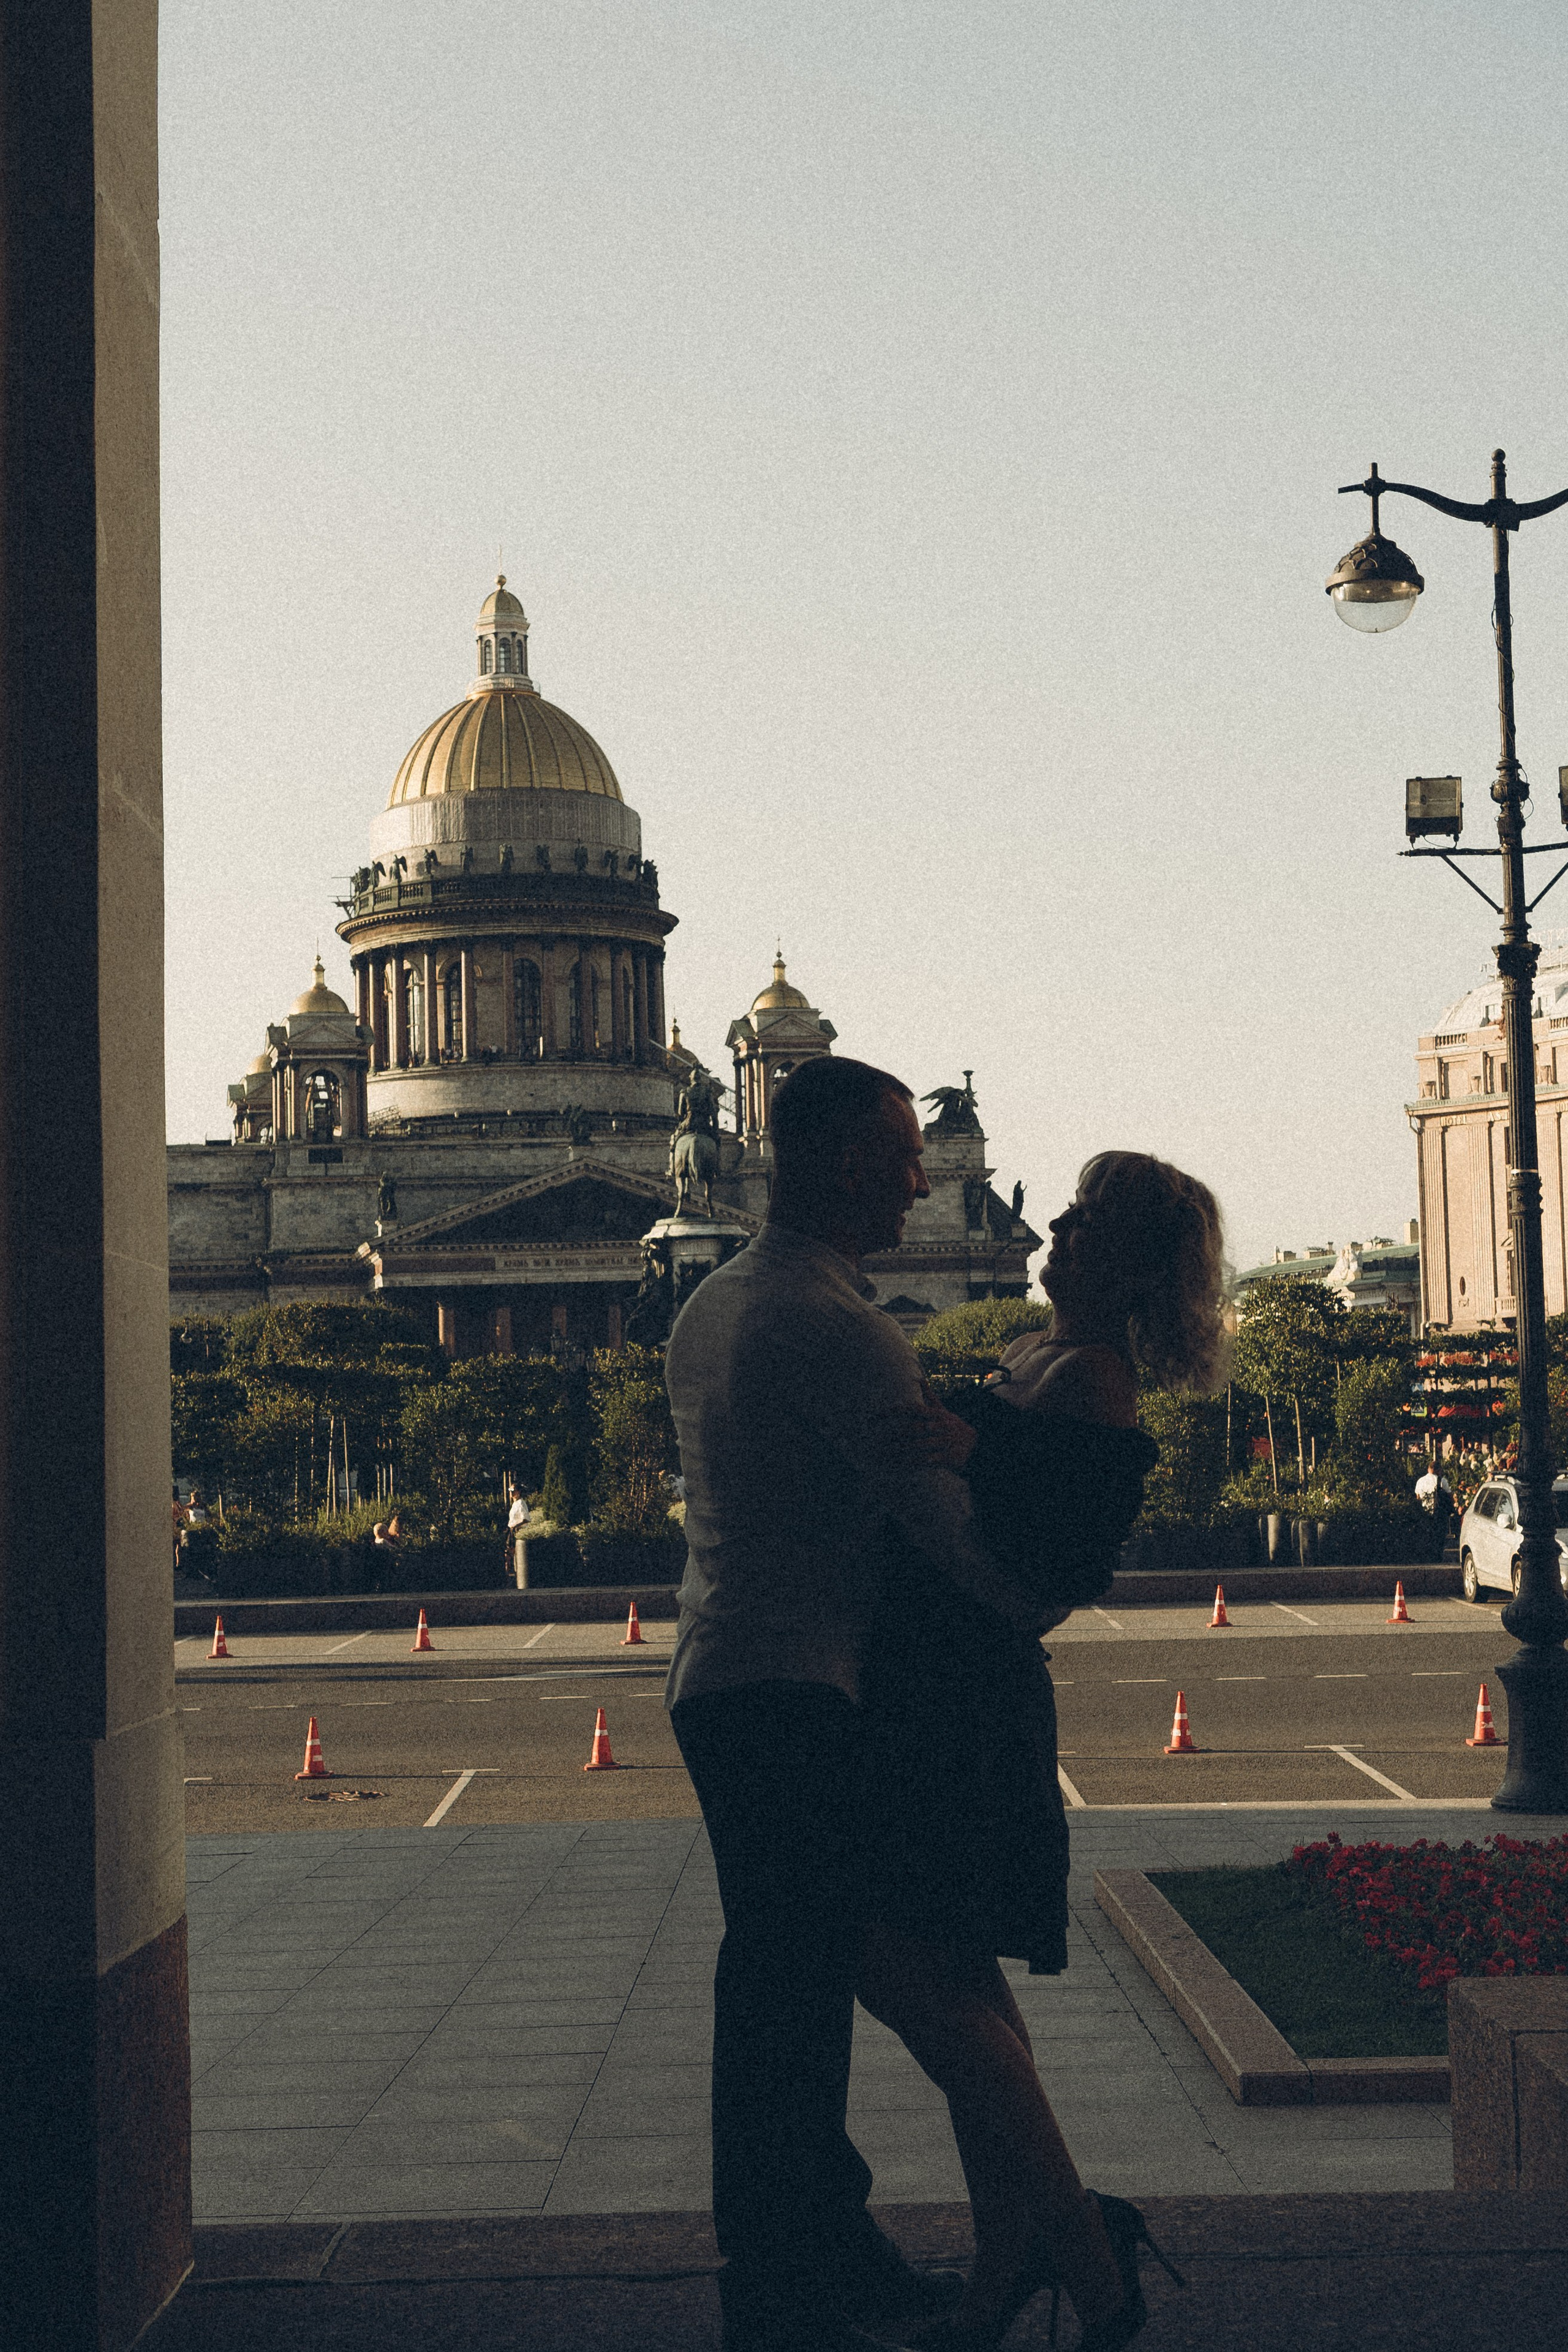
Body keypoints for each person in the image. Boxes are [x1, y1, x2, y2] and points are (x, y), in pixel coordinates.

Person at [665, 1058, 1078, 2352]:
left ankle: (810, 2250)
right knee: (799, 1997)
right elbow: (950, 1543)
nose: (922, 1177)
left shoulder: (722, 1299)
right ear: (844, 1159)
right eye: (904, 1155)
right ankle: (795, 2272)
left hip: (726, 1669)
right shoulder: (837, 1324)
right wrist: (1045, 1557)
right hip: (796, 1685)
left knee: (783, 1987)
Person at [857, 1151, 1226, 2350]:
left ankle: (1078, 2239)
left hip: (961, 1715)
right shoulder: (1043, 1357)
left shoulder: (1092, 1384)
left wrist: (952, 1449)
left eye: (1079, 1222)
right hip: (932, 1696)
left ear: (1125, 1264)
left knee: (899, 1966)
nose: (1049, 1230)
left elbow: (1055, 1568)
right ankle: (1005, 2273)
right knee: (966, 1995)